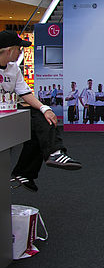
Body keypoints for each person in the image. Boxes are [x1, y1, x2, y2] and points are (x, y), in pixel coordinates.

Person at [0, 30, 82, 192]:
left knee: (41, 119)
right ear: (9, 50)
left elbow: (25, 93)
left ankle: (51, 155)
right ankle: (24, 172)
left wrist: (46, 108)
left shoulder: (13, 69)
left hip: (7, 114)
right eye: (19, 49)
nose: (20, 52)